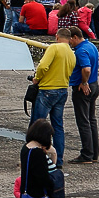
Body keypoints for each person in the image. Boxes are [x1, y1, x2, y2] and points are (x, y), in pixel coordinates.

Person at [31, 29, 75, 158]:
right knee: (58, 126)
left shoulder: (54, 48)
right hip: (62, 89)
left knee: (37, 125)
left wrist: (37, 78)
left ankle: (33, 155)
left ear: (57, 37)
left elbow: (43, 66)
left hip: (48, 89)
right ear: (70, 38)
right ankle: (58, 158)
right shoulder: (71, 53)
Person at [67, 25, 99, 164]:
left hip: (84, 88)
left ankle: (86, 154)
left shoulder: (81, 51)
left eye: (70, 41)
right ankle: (94, 153)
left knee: (83, 122)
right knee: (91, 120)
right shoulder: (91, 45)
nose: (69, 44)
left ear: (75, 37)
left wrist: (84, 82)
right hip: (95, 85)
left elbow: (86, 69)